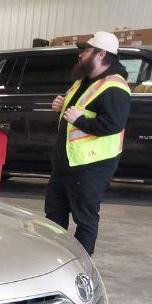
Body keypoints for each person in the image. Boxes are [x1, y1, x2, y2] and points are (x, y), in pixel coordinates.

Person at [45, 31, 132, 255]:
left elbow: (113, 124)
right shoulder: (84, 80)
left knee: (85, 218)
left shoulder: (115, 87)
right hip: (66, 162)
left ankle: (81, 265)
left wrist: (80, 120)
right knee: (54, 214)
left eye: (86, 50)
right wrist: (60, 107)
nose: (81, 55)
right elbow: (74, 113)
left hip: (91, 165)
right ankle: (55, 259)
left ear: (101, 54)